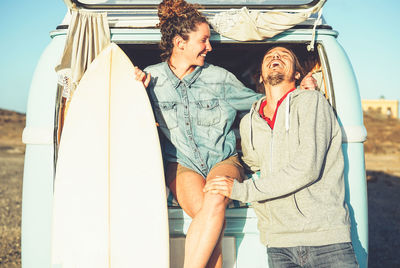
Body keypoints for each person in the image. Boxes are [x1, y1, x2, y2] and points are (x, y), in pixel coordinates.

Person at [204, 46, 359, 268]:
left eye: (284, 55)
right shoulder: (249, 121)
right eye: (269, 56)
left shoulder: (310, 102)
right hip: (278, 243)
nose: (275, 57)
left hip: (325, 239)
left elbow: (307, 167)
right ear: (260, 74)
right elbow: (255, 167)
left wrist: (241, 190)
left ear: (297, 74)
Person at [134, 1, 262, 267]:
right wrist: (132, 89)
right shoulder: (149, 79)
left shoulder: (220, 78)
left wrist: (302, 86)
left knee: (214, 201)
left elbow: (261, 103)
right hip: (180, 164)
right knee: (210, 220)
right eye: (204, 40)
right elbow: (122, 116)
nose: (210, 47)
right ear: (180, 43)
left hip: (224, 160)